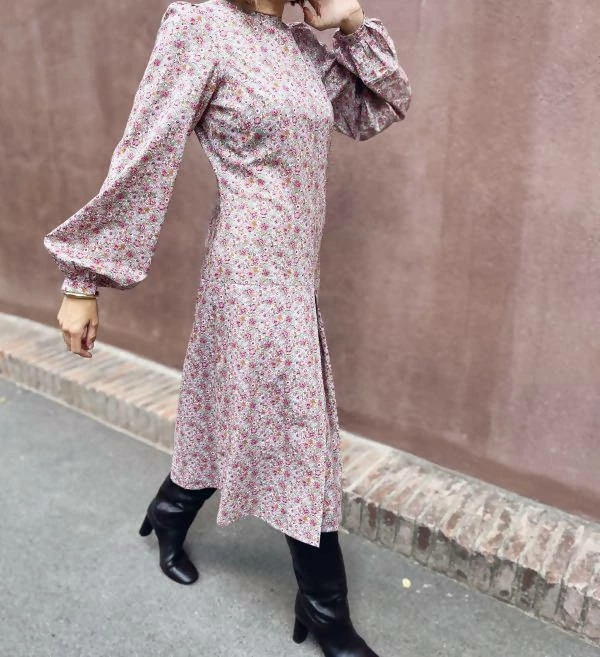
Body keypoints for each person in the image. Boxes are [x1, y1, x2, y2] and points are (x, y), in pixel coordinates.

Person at [42, 0, 411, 654]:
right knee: (299, 424)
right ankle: (325, 606)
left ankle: (169, 510)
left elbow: (377, 108)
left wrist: (353, 26)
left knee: (232, 408)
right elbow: (148, 146)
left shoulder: (298, 46)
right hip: (249, 269)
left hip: (295, 270)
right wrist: (82, 279)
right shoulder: (201, 24)